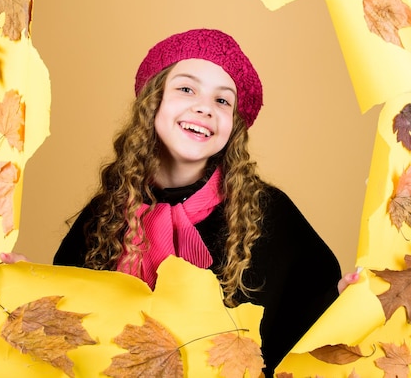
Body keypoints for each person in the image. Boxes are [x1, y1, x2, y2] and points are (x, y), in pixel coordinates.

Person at [43, 28, 350, 376]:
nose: (204, 107)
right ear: (154, 100)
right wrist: (21, 289)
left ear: (232, 126)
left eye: (222, 101)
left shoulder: (269, 214)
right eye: (186, 89)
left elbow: (308, 318)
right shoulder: (103, 217)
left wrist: (342, 302)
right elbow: (64, 330)